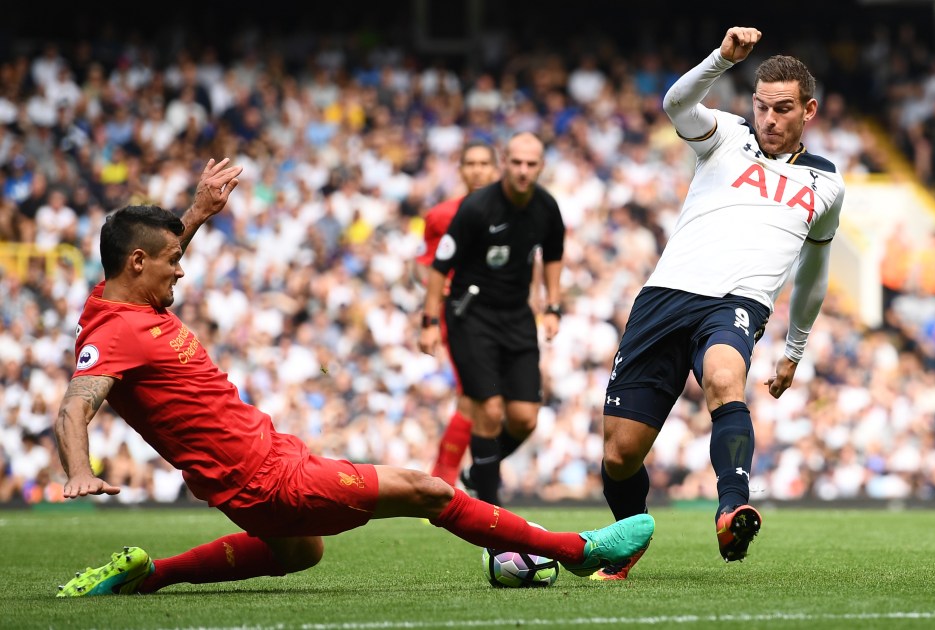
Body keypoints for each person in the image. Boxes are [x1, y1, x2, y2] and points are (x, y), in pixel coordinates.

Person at [53, 158, 653, 597]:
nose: (181, 271)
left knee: (300, 552)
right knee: (429, 492)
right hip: (265, 478)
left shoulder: (129, 302)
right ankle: (578, 550)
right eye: (173, 261)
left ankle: (149, 575)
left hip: (260, 468)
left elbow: (157, 252)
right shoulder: (114, 332)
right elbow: (75, 406)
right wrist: (80, 471)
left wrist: (196, 214)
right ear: (137, 264)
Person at [592, 27, 845, 581]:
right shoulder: (727, 134)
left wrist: (794, 351)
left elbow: (813, 276)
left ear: (809, 111)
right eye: (762, 107)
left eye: (783, 110)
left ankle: (732, 507)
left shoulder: (826, 184)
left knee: (725, 378)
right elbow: (675, 103)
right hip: (666, 295)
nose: (769, 120)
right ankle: (630, 532)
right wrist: (720, 60)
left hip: (736, 302)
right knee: (618, 454)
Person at [418, 131, 565, 506]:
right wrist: (431, 320)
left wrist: (552, 306)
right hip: (471, 316)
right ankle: (486, 509)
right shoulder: (468, 210)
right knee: (485, 408)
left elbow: (552, 256)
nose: (523, 170)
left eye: (531, 164)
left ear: (541, 166)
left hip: (516, 316)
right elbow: (435, 266)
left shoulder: (546, 207)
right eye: (515, 162)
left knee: (524, 418)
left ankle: (475, 473)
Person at [414, 141, 500, 486]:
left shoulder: (516, 213)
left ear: (496, 169)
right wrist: (432, 317)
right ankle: (445, 479)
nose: (478, 170)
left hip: (504, 318)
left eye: (484, 163)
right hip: (463, 317)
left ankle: (459, 476)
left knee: (495, 402)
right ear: (461, 170)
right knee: (473, 396)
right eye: (471, 164)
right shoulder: (441, 215)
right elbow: (423, 267)